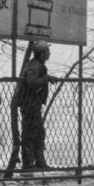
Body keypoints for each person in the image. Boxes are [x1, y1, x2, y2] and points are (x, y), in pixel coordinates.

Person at [15, 40, 59, 171]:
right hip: (30, 104)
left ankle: (37, 162)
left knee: (37, 133)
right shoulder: (35, 66)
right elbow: (32, 83)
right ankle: (29, 164)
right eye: (47, 51)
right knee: (31, 133)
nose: (49, 53)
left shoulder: (36, 64)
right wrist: (46, 78)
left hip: (32, 103)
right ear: (42, 53)